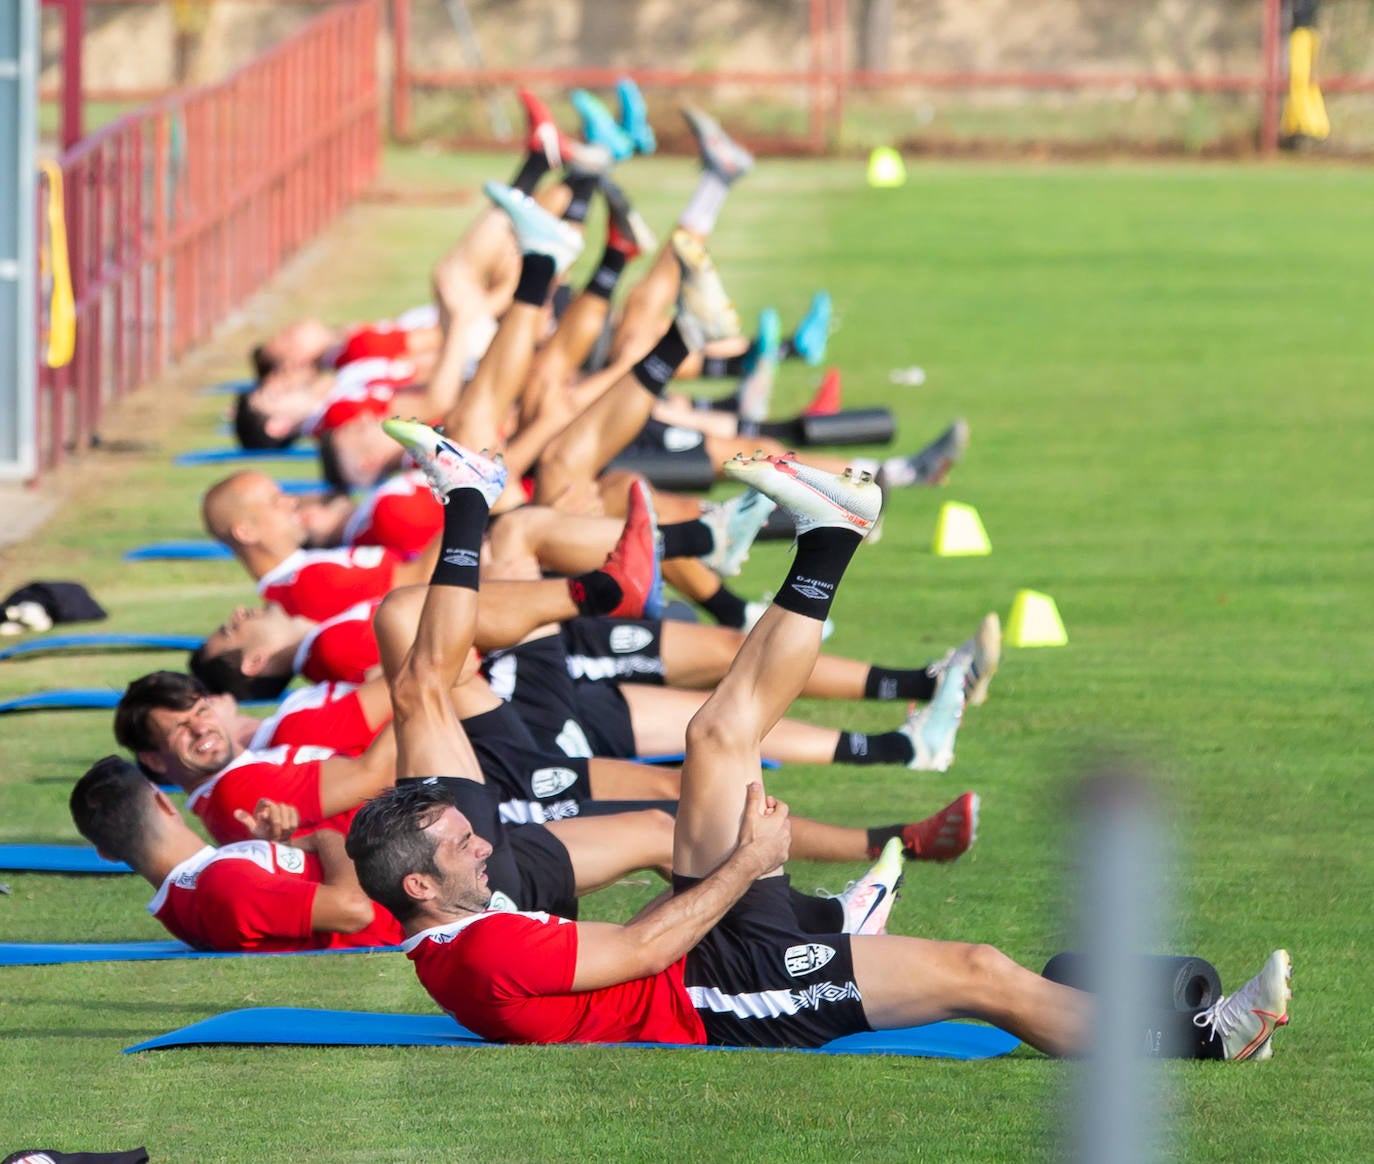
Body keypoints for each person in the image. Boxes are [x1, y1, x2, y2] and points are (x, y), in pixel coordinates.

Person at [347, 430, 1292, 1059]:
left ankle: (831, 535)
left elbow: (641, 932)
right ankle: (1207, 1037)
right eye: (461, 844)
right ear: (421, 887)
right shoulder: (478, 955)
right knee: (982, 973)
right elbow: (640, 952)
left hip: (710, 945)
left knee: (720, 732)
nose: (482, 837)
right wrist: (749, 862)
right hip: (725, 995)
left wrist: (736, 877)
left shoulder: (465, 920)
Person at [69, 756, 402, 953]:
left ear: (106, 854)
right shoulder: (218, 883)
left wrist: (288, 842)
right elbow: (354, 910)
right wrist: (326, 838)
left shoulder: (205, 881)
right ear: (164, 802)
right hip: (424, 902)